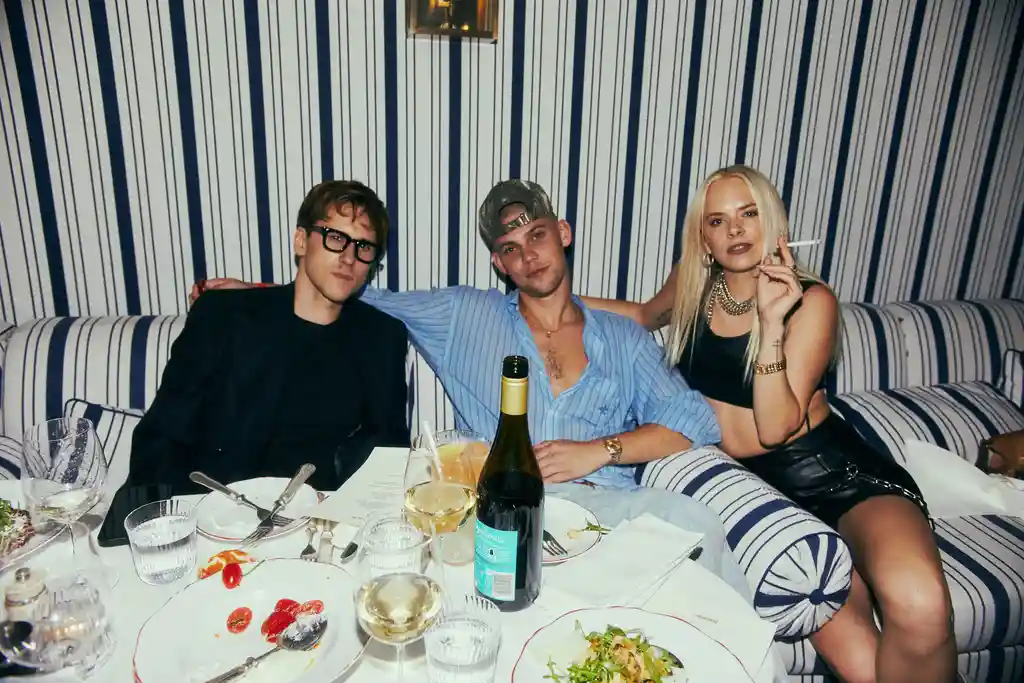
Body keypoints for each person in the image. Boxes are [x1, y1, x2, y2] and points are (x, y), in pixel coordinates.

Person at [196, 179, 753, 603]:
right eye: (510, 247)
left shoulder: (623, 339)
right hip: (500, 515)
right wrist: (260, 292)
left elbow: (693, 423)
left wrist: (600, 450)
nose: (527, 254)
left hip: (603, 510)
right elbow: (352, 289)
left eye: (537, 235)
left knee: (700, 528)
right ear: (498, 263)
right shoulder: (463, 315)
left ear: (563, 233)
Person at [585, 165, 956, 683]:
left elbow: (776, 427)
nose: (735, 229)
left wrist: (772, 324)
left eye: (749, 213)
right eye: (718, 220)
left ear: (773, 221)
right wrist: (548, 300)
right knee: (862, 666)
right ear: (704, 238)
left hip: (835, 475)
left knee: (920, 603)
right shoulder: (695, 283)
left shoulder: (811, 301)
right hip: (761, 499)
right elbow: (643, 315)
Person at [129, 180, 410, 495]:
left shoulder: (383, 338)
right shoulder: (223, 316)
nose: (349, 257)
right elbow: (163, 434)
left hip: (326, 515)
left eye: (364, 247)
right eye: (335, 238)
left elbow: (389, 453)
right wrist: (162, 517)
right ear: (301, 241)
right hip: (217, 508)